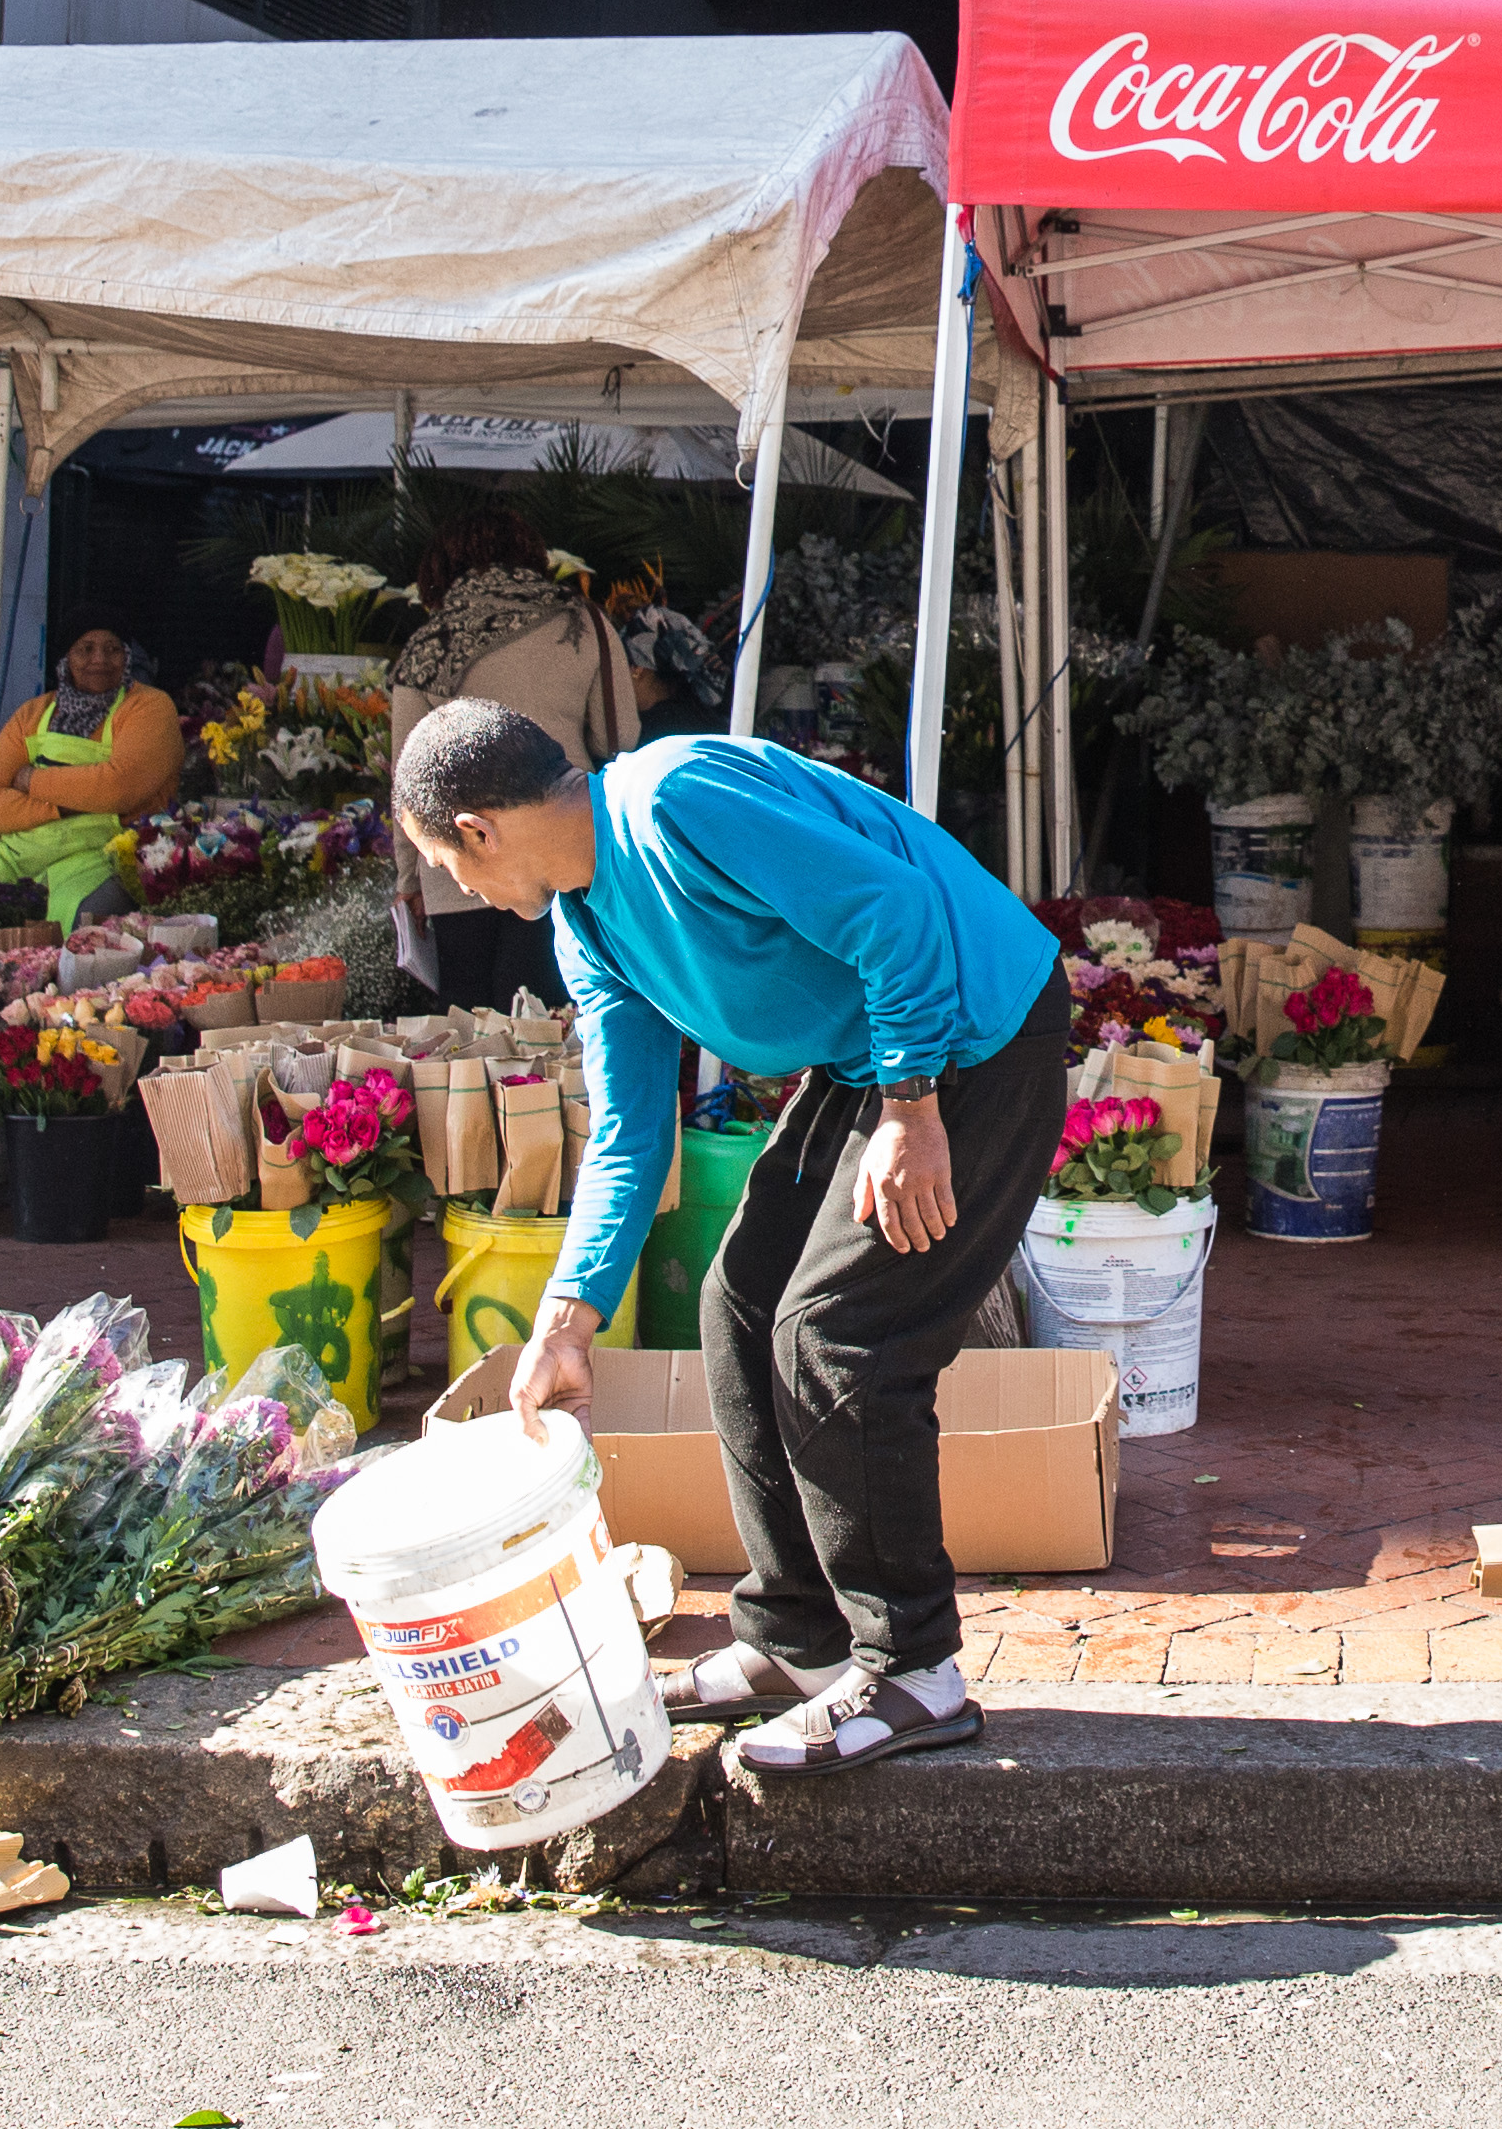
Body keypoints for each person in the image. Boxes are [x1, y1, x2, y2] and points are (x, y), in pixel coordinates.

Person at [396, 697, 1063, 1775]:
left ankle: (914, 1672)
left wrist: (912, 1108)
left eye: (449, 864)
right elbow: (626, 1132)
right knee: (739, 1301)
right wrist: (567, 1322)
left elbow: (892, 911)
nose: (463, 891)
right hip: (875, 1062)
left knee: (836, 1337)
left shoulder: (674, 800)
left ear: (476, 827)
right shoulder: (588, 923)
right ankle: (797, 1641)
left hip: (971, 1036)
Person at [383, 512, 640, 1013]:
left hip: (453, 854)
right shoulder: (580, 621)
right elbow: (619, 736)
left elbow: (406, 781)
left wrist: (408, 882)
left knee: (464, 1015)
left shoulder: (427, 645)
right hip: (556, 842)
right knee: (547, 1011)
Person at [0, 628, 180, 928]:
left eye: (113, 649)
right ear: (66, 658)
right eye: (86, 649)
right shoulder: (31, 714)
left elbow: (117, 788)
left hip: (104, 856)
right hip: (20, 853)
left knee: (74, 926)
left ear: (126, 657)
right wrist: (67, 804)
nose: (100, 659)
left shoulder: (149, 706)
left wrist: (31, 781)